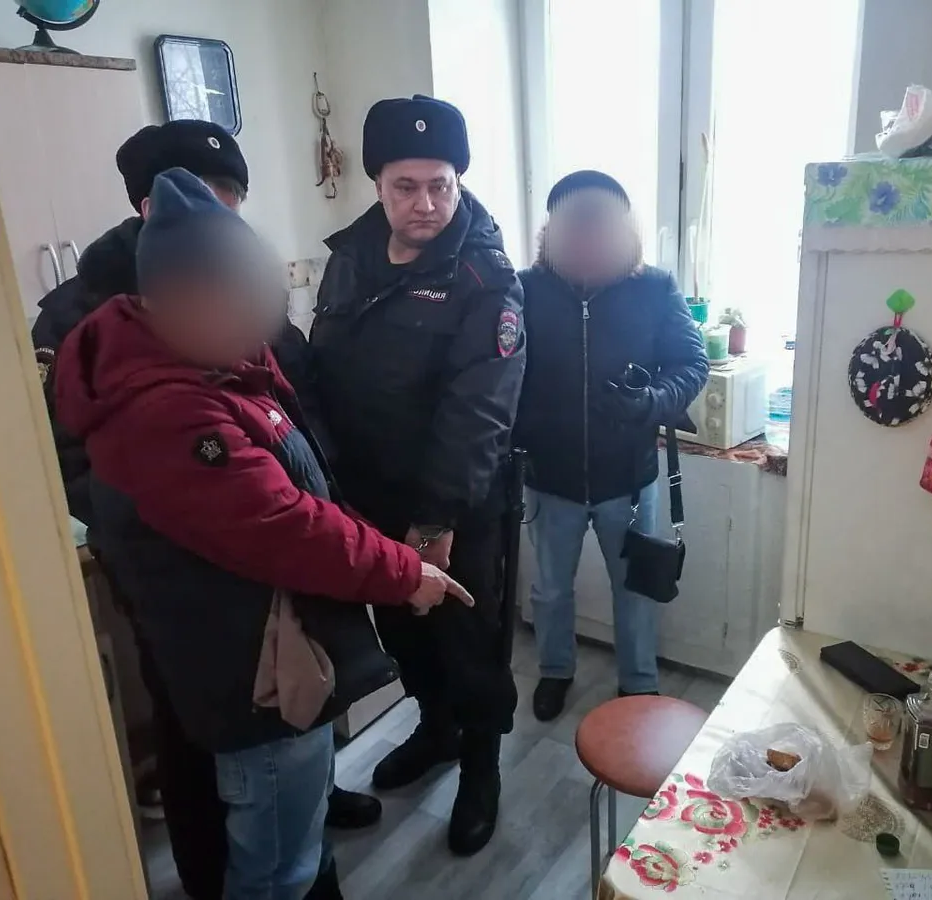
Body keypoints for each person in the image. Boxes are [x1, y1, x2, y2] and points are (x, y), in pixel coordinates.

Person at [54, 168, 474, 900]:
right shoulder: (170, 411)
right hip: (252, 675)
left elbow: (301, 490)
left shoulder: (217, 364)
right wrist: (405, 572)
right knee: (275, 867)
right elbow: (285, 524)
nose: (258, 323)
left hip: (273, 653)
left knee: (295, 838)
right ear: (174, 299)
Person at [29, 121, 381, 900]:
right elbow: (71, 457)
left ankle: (310, 828)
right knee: (206, 737)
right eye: (202, 196)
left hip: (279, 547)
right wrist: (180, 517)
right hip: (185, 580)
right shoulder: (82, 311)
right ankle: (210, 871)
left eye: (231, 199)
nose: (220, 216)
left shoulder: (237, 284)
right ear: (148, 206)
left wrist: (317, 493)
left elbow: (296, 398)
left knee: (298, 710)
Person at [306, 95, 525, 856]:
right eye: (406, 186)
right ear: (377, 184)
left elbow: (479, 412)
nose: (426, 203)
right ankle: (436, 731)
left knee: (468, 643)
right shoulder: (351, 257)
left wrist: (434, 521)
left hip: (454, 508)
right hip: (368, 499)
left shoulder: (485, 277)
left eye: (441, 185)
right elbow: (325, 367)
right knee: (403, 631)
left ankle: (482, 769)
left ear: (459, 182)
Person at [515, 170, 708, 722]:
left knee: (635, 588)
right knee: (551, 590)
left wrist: (650, 402)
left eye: (600, 225)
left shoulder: (655, 288)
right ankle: (555, 670)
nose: (587, 237)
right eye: (574, 225)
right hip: (549, 477)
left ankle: (639, 684)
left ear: (624, 230)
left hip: (629, 478)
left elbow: (690, 364)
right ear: (551, 232)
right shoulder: (524, 289)